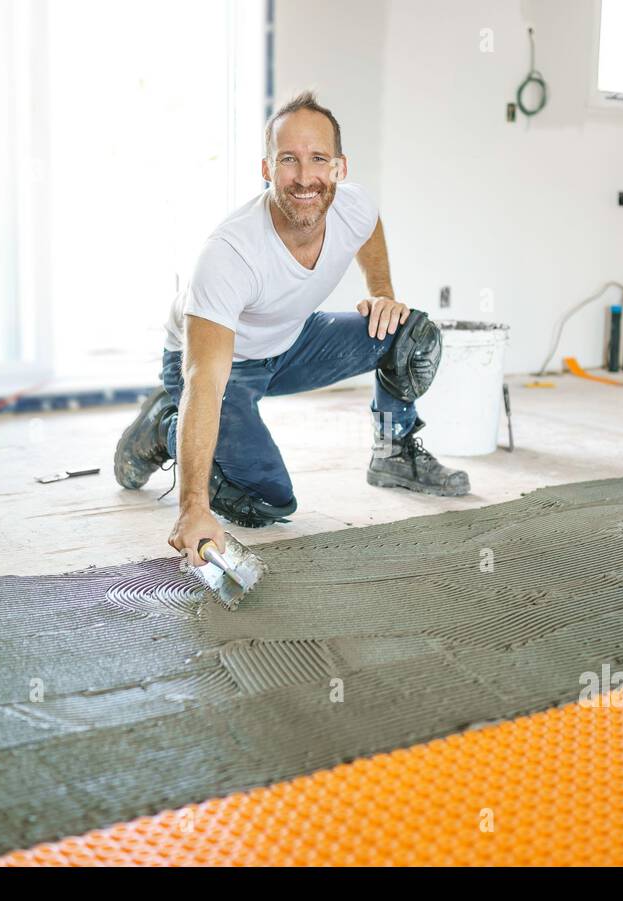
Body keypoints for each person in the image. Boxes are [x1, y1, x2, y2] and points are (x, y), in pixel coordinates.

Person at [114, 90, 468, 565]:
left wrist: (381, 289)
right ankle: (164, 425)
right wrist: (193, 506)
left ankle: (393, 452)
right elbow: (205, 382)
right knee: (265, 503)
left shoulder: (352, 206)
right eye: (289, 160)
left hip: (291, 342)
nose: (305, 178)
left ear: (340, 167)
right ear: (267, 169)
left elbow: (371, 226)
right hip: (217, 367)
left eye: (318, 159)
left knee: (410, 336)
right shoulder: (230, 254)